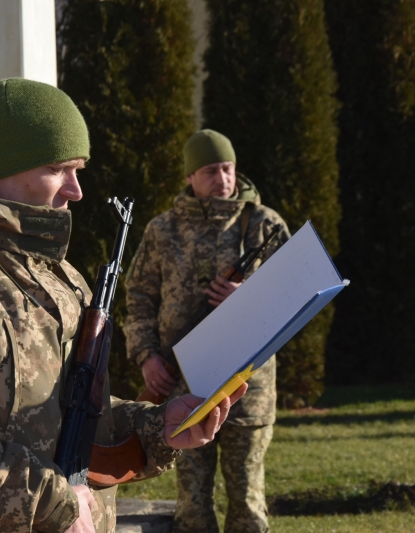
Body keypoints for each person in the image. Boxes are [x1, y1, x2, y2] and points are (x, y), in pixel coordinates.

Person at [0, 79, 246, 533]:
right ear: (7, 165)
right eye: (60, 170)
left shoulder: (54, 273)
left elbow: (75, 418)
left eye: (78, 170)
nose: (76, 190)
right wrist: (53, 504)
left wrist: (157, 427)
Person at [124, 129, 289, 533]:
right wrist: (146, 357)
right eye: (211, 170)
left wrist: (247, 297)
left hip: (248, 387)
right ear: (190, 177)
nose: (223, 178)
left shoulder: (264, 226)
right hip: (183, 387)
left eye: (228, 168)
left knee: (247, 505)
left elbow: (295, 298)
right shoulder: (163, 230)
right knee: (192, 509)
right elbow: (138, 296)